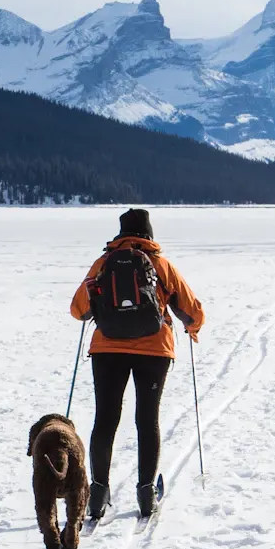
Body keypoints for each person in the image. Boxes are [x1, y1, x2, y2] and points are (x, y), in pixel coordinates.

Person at [70, 207, 204, 520]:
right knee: (147, 419)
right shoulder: (160, 264)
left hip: (107, 349)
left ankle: (98, 493)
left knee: (105, 419)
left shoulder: (103, 263)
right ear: (149, 233)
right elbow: (192, 309)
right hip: (155, 351)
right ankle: (146, 494)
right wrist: (192, 328)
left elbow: (79, 309)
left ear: (120, 233)